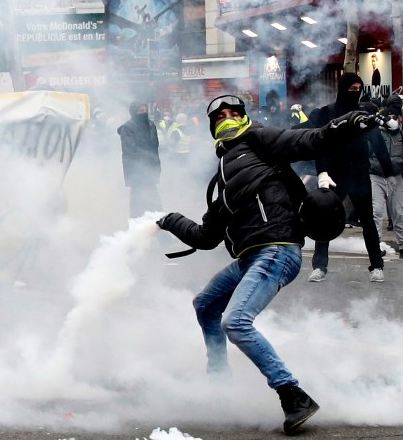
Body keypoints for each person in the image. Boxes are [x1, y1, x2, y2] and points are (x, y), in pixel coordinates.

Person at [157, 94, 372, 435]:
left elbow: (309, 140)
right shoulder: (222, 181)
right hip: (251, 258)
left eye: (232, 112)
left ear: (243, 117)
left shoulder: (258, 139)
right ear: (212, 128)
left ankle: (293, 395)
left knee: (236, 321)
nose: (227, 117)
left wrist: (347, 123)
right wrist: (170, 221)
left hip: (276, 249)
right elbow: (205, 236)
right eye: (220, 115)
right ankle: (218, 383)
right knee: (205, 305)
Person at [307, 73, 391, 282]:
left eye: (358, 88)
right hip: (334, 175)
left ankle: (377, 266)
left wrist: (388, 172)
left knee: (368, 221)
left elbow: (378, 142)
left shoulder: (364, 113)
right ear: (343, 88)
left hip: (360, 175)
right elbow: (320, 144)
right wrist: (322, 172)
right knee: (324, 218)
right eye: (351, 88)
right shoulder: (326, 113)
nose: (355, 92)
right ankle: (319, 266)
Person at [371, 96, 403, 259]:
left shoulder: (401, 134)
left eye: (394, 117)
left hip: (397, 176)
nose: (391, 120)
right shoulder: (377, 133)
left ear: (400, 118)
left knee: (399, 212)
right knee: (376, 211)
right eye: (388, 117)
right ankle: (375, 246)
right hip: (376, 175)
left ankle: (402, 245)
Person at [118, 101, 161, 218]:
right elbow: (131, 150)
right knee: (138, 202)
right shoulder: (128, 127)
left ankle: (158, 227)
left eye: (145, 110)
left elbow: (155, 146)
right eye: (141, 111)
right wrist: (148, 156)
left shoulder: (151, 125)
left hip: (151, 170)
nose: (144, 112)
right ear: (134, 112)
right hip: (137, 172)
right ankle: (137, 228)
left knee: (155, 202)